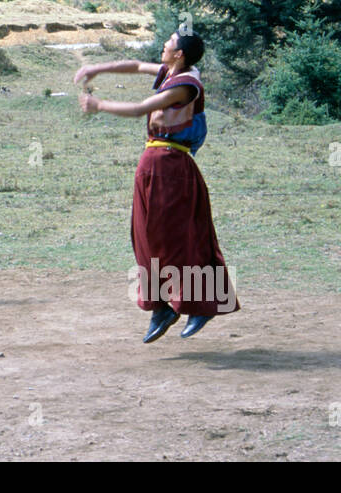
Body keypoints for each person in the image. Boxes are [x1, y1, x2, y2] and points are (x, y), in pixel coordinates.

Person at [75, 31, 239, 342]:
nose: (164, 44)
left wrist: (99, 105)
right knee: (145, 236)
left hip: (171, 165)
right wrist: (98, 68)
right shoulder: (170, 71)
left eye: (170, 42)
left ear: (180, 54)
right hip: (152, 161)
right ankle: (162, 306)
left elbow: (140, 108)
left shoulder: (187, 86)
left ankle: (201, 305)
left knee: (179, 238)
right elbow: (137, 66)